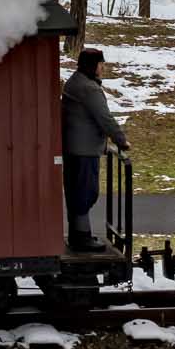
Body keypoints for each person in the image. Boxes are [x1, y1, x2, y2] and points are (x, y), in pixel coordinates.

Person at [61, 47, 128, 252]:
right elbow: (104, 118)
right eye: (101, 64)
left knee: (76, 192)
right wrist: (121, 140)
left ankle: (78, 235)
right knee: (86, 193)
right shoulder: (89, 89)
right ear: (93, 66)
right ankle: (82, 239)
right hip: (84, 151)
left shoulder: (75, 81)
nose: (103, 68)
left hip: (74, 148)